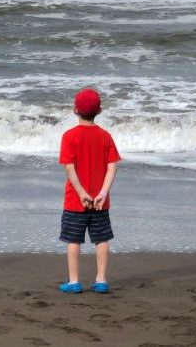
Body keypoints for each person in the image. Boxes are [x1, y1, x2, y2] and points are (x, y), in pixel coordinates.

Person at [57, 88, 121, 294]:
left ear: (74, 110)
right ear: (100, 110)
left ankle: (74, 280)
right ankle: (101, 279)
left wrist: (82, 193)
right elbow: (112, 166)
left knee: (73, 240)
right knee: (101, 239)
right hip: (100, 201)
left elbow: (69, 167)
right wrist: (102, 192)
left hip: (76, 200)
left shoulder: (69, 136)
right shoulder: (105, 136)